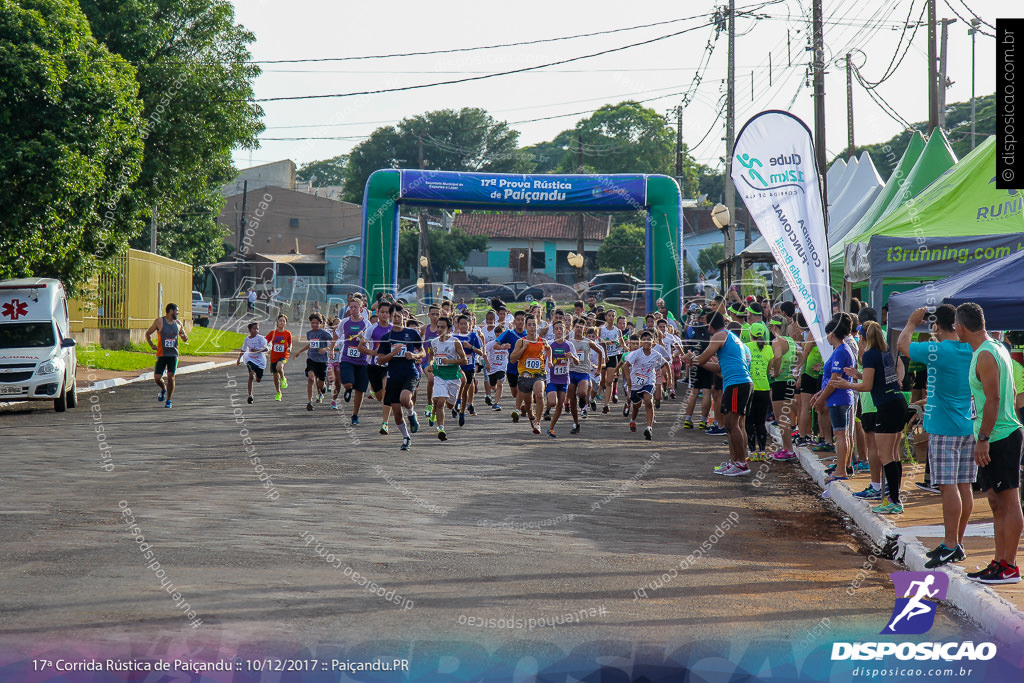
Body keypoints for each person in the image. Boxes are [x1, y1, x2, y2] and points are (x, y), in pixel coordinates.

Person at [898, 305, 976, 569]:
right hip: (968, 426)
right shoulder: (972, 348)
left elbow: (903, 345)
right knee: (964, 486)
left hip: (944, 428)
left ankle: (951, 544)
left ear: (937, 326)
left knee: (948, 486)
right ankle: (956, 543)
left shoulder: (938, 350)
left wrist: (911, 323)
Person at [955, 303, 1023, 584]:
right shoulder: (996, 347)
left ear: (960, 326)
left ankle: (1010, 566)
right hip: (999, 433)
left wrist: (982, 439)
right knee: (996, 501)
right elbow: (1013, 391)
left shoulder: (986, 354)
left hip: (1000, 435)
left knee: (1008, 501)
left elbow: (994, 399)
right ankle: (999, 561)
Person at [830, 321, 910, 514]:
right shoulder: (885, 353)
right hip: (898, 404)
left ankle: (894, 500)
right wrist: (857, 375)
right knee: (893, 454)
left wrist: (846, 384)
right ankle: (894, 496)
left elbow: (867, 387)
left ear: (863, 338)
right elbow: (876, 381)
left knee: (886, 455)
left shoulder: (869, 355)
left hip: (887, 407)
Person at [686, 312, 753, 475]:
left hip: (737, 383)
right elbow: (718, 368)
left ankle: (741, 463)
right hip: (740, 383)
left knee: (731, 424)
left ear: (710, 325)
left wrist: (692, 358)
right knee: (735, 425)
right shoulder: (729, 337)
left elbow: (702, 359)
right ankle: (736, 461)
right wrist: (697, 361)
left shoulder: (719, 335)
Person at [812, 314, 857, 483]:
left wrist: (821, 398)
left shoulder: (841, 351)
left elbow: (835, 380)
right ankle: (842, 467)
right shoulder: (841, 350)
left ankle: (840, 470)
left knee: (840, 435)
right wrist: (820, 394)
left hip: (838, 398)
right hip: (839, 398)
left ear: (831, 334)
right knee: (843, 434)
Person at [378, 308, 424, 451]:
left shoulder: (412, 333)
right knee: (397, 413)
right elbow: (380, 360)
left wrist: (415, 356)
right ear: (390, 317)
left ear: (404, 316)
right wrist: (393, 353)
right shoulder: (387, 337)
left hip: (410, 373)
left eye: (399, 316)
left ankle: (412, 414)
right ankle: (406, 437)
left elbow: (422, 352)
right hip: (393, 376)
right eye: (394, 316)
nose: (397, 319)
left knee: (405, 399)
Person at [426, 316, 467, 441]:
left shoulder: (455, 342)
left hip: (453, 377)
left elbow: (464, 360)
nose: (439, 329)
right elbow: (431, 356)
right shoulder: (434, 342)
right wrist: (431, 364)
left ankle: (438, 412)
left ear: (449, 329)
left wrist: (450, 361)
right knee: (440, 402)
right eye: (438, 327)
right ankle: (441, 429)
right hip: (439, 375)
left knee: (450, 405)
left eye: (442, 327)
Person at [509, 314, 550, 435]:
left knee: (540, 395)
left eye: (534, 325)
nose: (532, 327)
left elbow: (549, 349)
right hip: (524, 376)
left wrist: (550, 360)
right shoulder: (520, 342)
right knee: (528, 404)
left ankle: (537, 422)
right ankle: (531, 416)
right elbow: (512, 359)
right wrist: (523, 348)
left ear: (538, 326)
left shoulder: (543, 341)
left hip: (539, 375)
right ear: (526, 327)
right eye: (530, 325)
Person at [623, 330, 668, 440]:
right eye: (644, 340)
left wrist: (670, 382)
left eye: (649, 339)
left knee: (648, 401)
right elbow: (625, 366)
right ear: (641, 342)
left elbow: (665, 364)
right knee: (637, 406)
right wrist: (628, 378)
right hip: (635, 383)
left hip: (648, 382)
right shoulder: (636, 353)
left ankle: (649, 428)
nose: (646, 342)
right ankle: (633, 420)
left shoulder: (656, 354)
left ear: (653, 342)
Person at [145, 303, 189, 408]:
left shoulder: (178, 323)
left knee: (171, 376)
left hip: (173, 355)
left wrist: (184, 337)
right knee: (157, 377)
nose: (178, 313)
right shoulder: (159, 322)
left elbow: (184, 337)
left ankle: (169, 400)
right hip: (161, 354)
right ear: (170, 311)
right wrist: (151, 345)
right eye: (176, 311)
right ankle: (163, 389)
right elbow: (148, 333)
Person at [334, 299, 370, 425]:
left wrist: (362, 338)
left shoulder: (366, 323)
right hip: (347, 358)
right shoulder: (345, 322)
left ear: (361, 309)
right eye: (351, 307)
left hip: (362, 360)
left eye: (356, 307)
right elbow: (336, 334)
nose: (353, 310)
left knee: (360, 390)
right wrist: (332, 348)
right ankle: (348, 389)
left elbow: (370, 340)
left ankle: (355, 414)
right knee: (348, 383)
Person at [359, 301, 393, 434]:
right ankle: (377, 394)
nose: (385, 314)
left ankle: (385, 423)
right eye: (382, 312)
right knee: (380, 396)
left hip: (389, 366)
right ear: (377, 312)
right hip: (374, 366)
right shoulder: (372, 329)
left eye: (387, 312)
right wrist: (373, 352)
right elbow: (361, 347)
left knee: (387, 391)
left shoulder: (393, 328)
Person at [767, 317, 798, 461]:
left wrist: (777, 371)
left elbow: (778, 356)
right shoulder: (790, 340)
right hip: (790, 380)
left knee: (782, 419)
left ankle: (788, 450)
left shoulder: (777, 341)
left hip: (780, 381)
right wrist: (794, 368)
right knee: (785, 417)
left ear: (774, 327)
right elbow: (801, 354)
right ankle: (788, 448)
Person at [567, 318, 604, 434]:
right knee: (572, 400)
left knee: (582, 393)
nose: (579, 329)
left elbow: (600, 352)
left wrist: (598, 368)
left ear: (584, 329)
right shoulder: (569, 342)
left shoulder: (588, 342)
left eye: (581, 327)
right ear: (574, 327)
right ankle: (576, 423)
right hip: (571, 372)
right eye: (577, 326)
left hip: (583, 372)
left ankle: (583, 402)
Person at [293, 312, 334, 411]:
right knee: (311, 378)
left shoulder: (324, 333)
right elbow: (311, 344)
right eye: (312, 323)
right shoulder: (309, 333)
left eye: (316, 323)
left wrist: (327, 349)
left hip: (322, 361)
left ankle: (322, 389)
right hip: (311, 359)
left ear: (320, 323)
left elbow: (334, 342)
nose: (314, 325)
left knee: (320, 384)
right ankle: (310, 401)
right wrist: (300, 351)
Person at [745, 322, 774, 461]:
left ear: (750, 334)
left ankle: (752, 452)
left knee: (749, 422)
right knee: (761, 423)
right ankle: (762, 452)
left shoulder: (746, 347)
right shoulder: (769, 349)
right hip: (764, 388)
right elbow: (769, 370)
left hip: (750, 389)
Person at [544, 320, 578, 437]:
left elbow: (577, 362)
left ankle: (551, 428)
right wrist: (548, 362)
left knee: (561, 405)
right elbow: (540, 357)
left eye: (561, 328)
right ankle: (546, 401)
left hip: (564, 378)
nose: (559, 330)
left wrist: (572, 356)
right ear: (553, 331)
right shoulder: (549, 344)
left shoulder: (569, 345)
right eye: (557, 328)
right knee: (553, 402)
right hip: (551, 377)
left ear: (565, 330)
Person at [496, 311, 528, 419]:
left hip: (525, 368)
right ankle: (523, 406)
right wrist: (503, 346)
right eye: (518, 319)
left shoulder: (529, 334)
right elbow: (496, 345)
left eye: (522, 320)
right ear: (514, 321)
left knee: (521, 390)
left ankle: (517, 410)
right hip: (512, 367)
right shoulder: (509, 333)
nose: (520, 322)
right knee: (515, 393)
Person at [453, 314, 483, 426]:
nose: (463, 326)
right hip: (458, 367)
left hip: (469, 367)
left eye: (466, 323)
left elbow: (481, 353)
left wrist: (471, 347)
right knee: (459, 387)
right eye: (461, 324)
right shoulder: (454, 337)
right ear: (457, 325)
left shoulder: (474, 336)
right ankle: (457, 402)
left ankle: (462, 412)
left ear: (469, 324)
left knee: (465, 390)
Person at [598, 310, 625, 413]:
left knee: (609, 381)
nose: (611, 317)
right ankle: (594, 396)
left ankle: (606, 405)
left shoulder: (618, 331)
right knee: (602, 381)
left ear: (615, 318)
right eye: (609, 315)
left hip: (613, 357)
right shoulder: (601, 329)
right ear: (606, 317)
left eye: (613, 316)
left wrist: (625, 346)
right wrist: (604, 342)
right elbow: (597, 341)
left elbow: (622, 344)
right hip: (602, 357)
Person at [237, 321, 270, 403]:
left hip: (260, 361)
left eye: (257, 329)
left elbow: (267, 348)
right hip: (250, 359)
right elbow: (243, 349)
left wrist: (258, 351)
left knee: (258, 379)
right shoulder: (247, 339)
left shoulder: (261, 339)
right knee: (251, 375)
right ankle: (250, 395)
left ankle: (256, 375)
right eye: (254, 329)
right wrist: (239, 358)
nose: (256, 330)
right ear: (249, 330)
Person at [265, 314, 292, 401]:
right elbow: (266, 340)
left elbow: (290, 343)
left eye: (284, 321)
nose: (282, 322)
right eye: (280, 320)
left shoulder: (287, 334)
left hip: (283, 355)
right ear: (277, 322)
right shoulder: (272, 333)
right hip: (274, 357)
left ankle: (283, 378)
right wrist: (265, 347)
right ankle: (278, 392)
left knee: (279, 367)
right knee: (275, 377)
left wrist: (289, 348)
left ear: (286, 323)